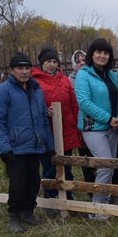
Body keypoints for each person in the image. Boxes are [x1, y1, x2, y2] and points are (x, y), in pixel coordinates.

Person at [0, 52, 55, 233]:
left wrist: (49, 146)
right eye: (20, 68)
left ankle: (28, 212)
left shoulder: (36, 90)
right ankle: (15, 216)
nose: (24, 72)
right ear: (11, 70)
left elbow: (42, 119)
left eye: (27, 68)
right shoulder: (2, 91)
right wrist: (4, 149)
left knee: (33, 182)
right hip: (15, 148)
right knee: (17, 183)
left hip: (34, 147)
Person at [75, 38, 118, 221]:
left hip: (113, 128)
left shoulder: (110, 75)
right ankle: (96, 208)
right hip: (94, 128)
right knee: (104, 166)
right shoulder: (84, 74)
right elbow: (84, 103)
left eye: (106, 53)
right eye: (98, 52)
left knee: (111, 166)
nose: (102, 56)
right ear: (92, 54)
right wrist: (108, 118)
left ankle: (108, 202)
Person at [32, 46, 80, 213]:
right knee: (50, 165)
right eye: (48, 62)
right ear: (41, 63)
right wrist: (44, 110)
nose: (52, 65)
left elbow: (73, 103)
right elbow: (31, 104)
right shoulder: (34, 81)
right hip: (48, 129)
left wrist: (75, 123)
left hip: (66, 128)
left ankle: (68, 196)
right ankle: (51, 199)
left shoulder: (64, 80)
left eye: (54, 61)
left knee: (67, 166)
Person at [69, 50, 96, 187]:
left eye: (84, 60)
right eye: (78, 61)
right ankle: (90, 185)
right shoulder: (70, 81)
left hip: (97, 120)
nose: (81, 63)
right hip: (82, 122)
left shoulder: (94, 75)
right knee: (86, 157)